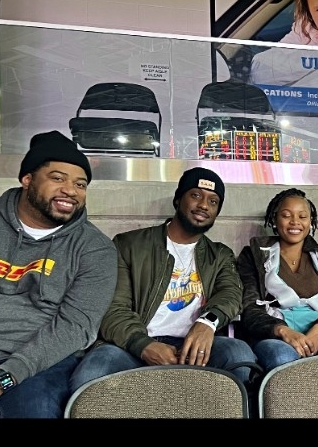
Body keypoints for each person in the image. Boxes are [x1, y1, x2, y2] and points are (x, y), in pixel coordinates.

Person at [69, 167, 257, 392]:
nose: (204, 206)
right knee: (92, 374)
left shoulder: (220, 255)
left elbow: (231, 294)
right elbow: (113, 308)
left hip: (195, 346)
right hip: (135, 344)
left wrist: (207, 323)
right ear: (178, 199)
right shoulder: (129, 245)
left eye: (213, 201)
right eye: (196, 195)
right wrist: (144, 345)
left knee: (239, 354)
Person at [0, 131, 118, 418]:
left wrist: (0, 379)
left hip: (37, 364)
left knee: (38, 411)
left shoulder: (94, 248)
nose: (71, 190)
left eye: (80, 184)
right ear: (27, 179)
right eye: (58, 178)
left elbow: (76, 326)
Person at [234, 188, 318, 373]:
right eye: (286, 215)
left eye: (302, 216)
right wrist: (283, 331)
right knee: (284, 360)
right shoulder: (254, 255)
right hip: (275, 336)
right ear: (275, 219)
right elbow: (249, 307)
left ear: (311, 221)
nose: (295, 222)